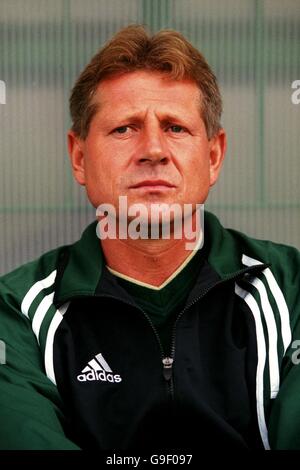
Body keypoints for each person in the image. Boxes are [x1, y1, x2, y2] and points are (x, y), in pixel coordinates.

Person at [0, 24, 299, 452]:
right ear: (79, 157)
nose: (153, 150)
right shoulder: (15, 313)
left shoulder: (292, 291)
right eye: (125, 129)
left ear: (213, 157)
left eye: (176, 127)